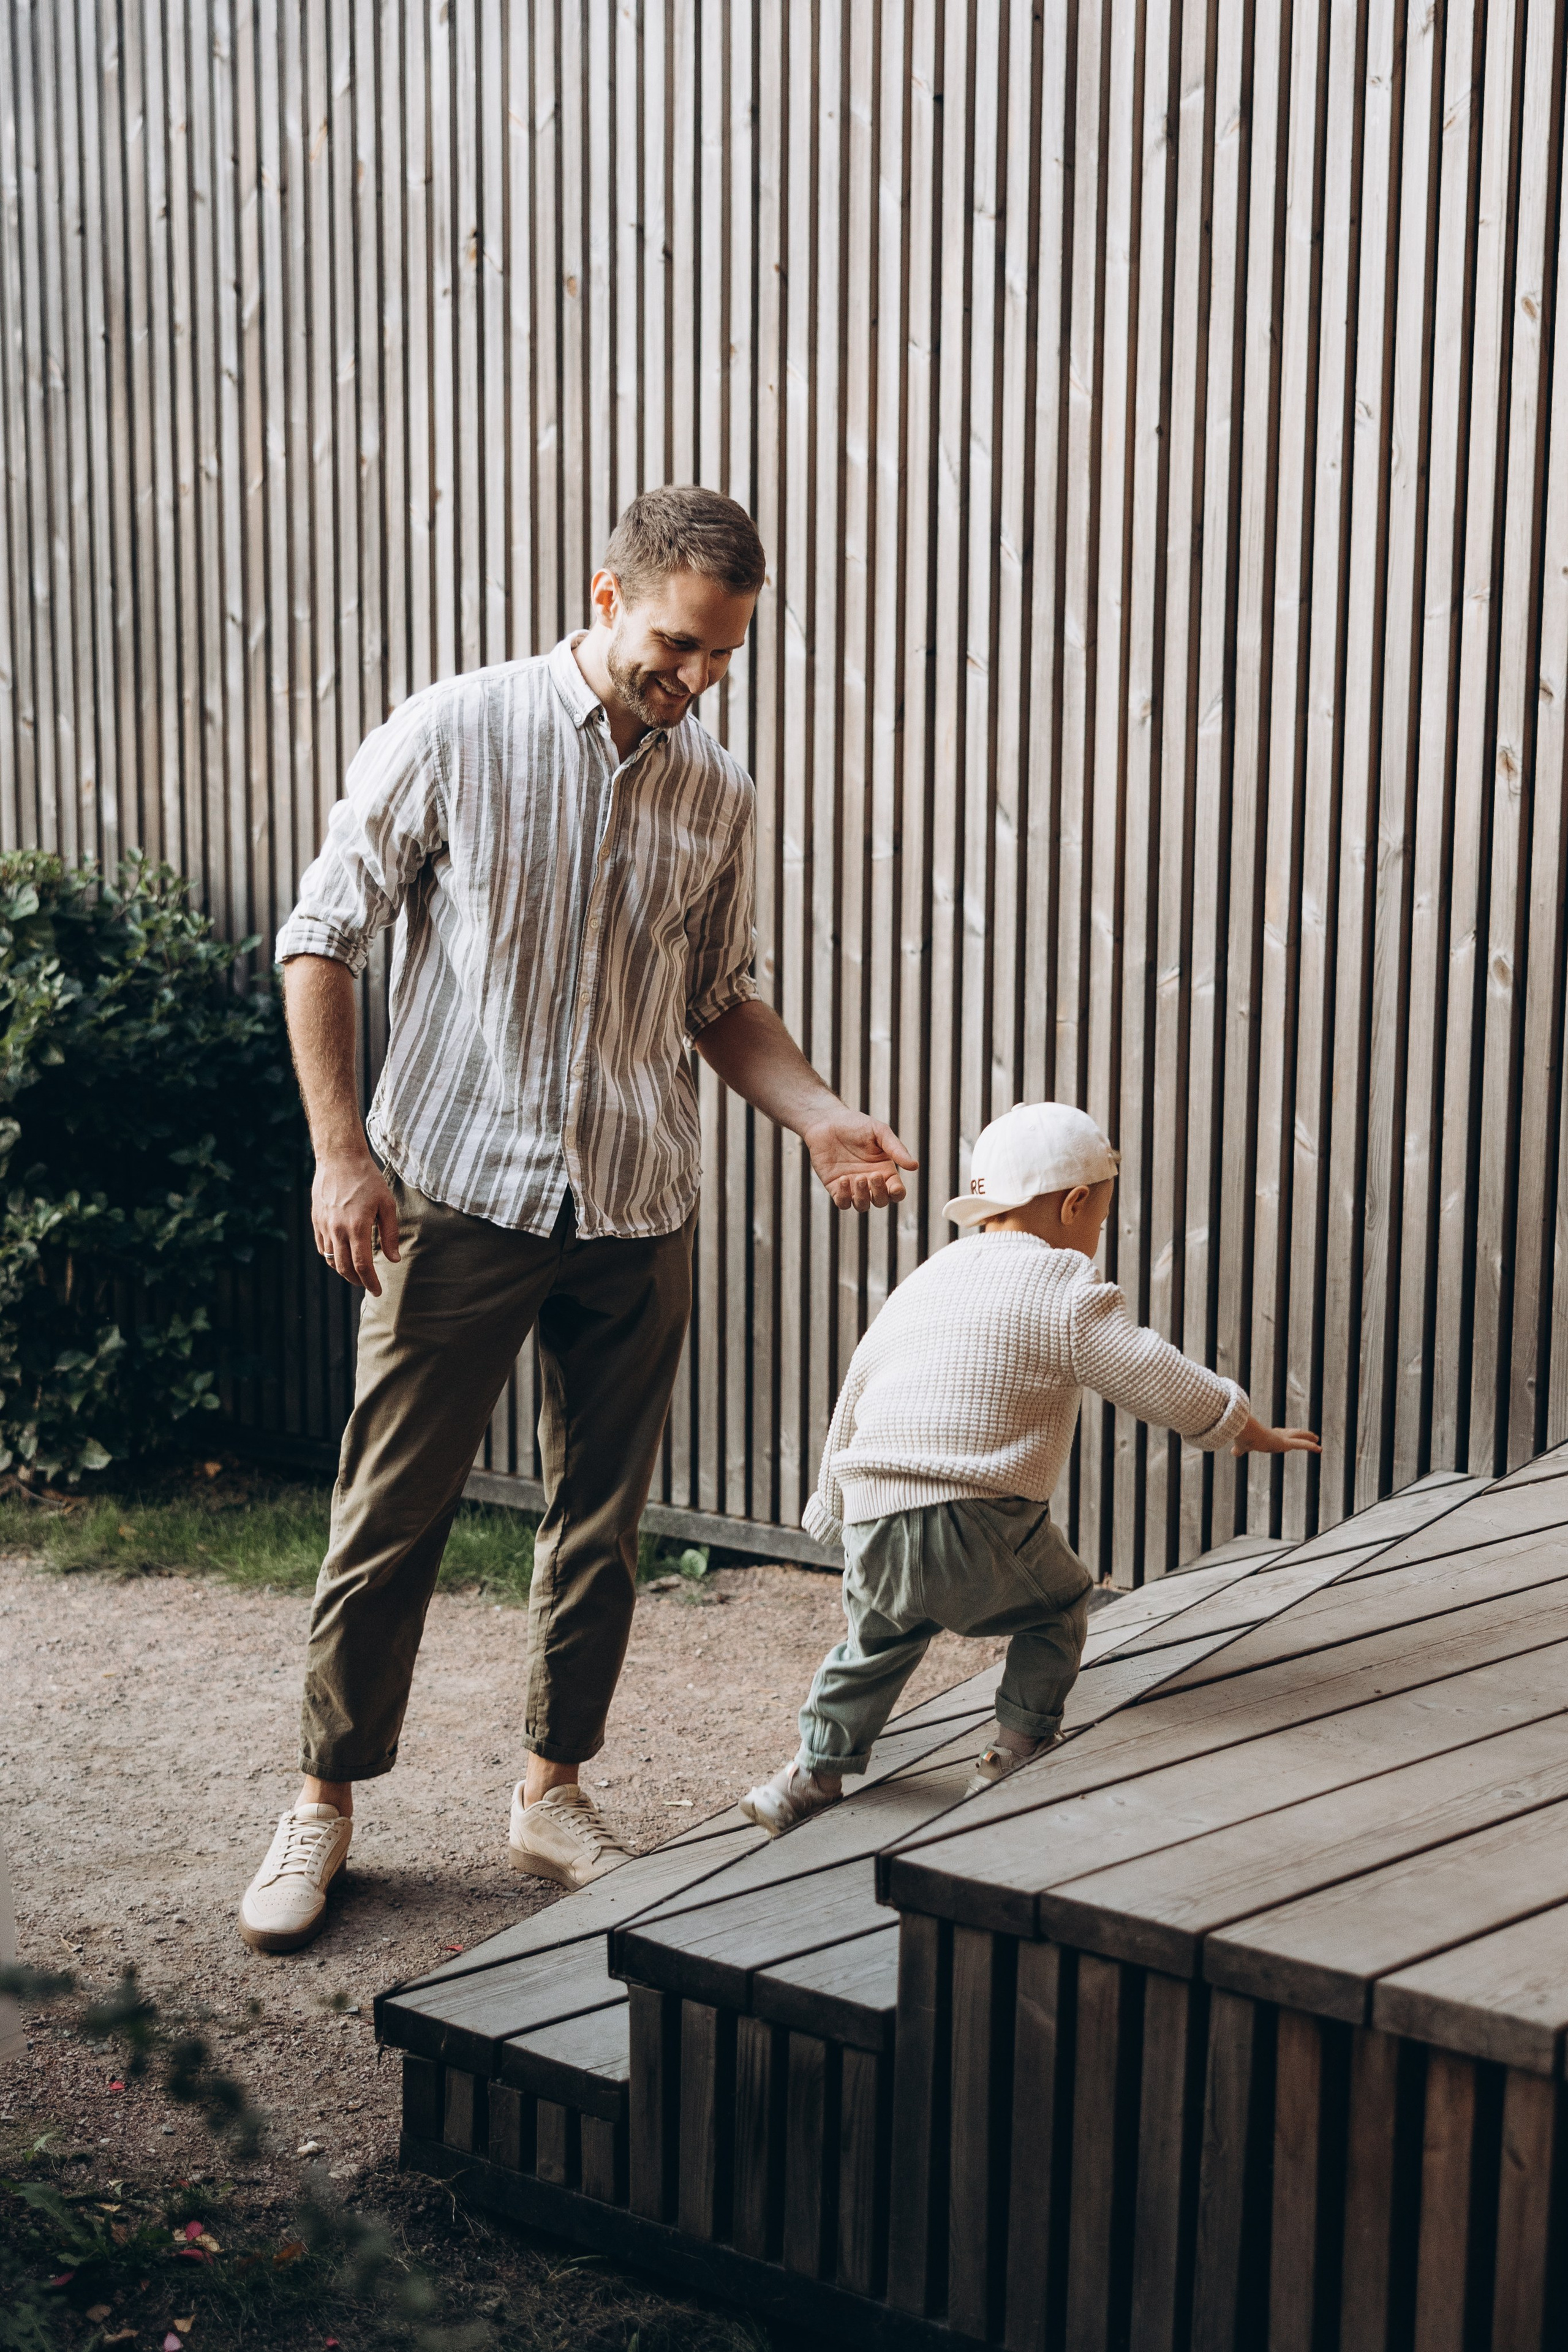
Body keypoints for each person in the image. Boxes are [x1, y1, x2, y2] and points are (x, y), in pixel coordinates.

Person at [238, 486, 917, 1954]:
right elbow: (321, 933)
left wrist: (815, 1114)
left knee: (598, 1524)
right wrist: (340, 1155)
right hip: (456, 1190)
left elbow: (719, 995)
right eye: (678, 644)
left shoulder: (712, 789)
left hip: (634, 1199)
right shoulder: (453, 729)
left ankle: (551, 1791)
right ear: (606, 597)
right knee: (390, 1512)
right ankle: (324, 1802)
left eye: (723, 656)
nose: (698, 679)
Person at [741, 1101, 1319, 1833]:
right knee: (1057, 1606)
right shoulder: (1064, 1288)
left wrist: (830, 1507)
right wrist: (1241, 1426)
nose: (1096, 1239)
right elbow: (1153, 1372)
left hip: (874, 1511)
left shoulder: (924, 1280)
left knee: (875, 1642)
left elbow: (859, 1387)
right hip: (974, 1515)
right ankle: (1016, 1748)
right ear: (1076, 1203)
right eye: (1100, 1222)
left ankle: (806, 1778)